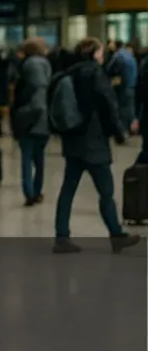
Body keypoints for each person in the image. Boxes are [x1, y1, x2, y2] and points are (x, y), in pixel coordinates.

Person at [52, 37, 141, 254]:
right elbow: (107, 104)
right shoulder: (95, 74)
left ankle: (61, 237)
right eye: (101, 52)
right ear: (94, 53)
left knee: (68, 189)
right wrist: (119, 132)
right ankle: (116, 234)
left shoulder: (68, 73)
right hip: (94, 142)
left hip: (73, 140)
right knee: (106, 191)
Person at [12, 37, 53, 206]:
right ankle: (37, 191)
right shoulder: (47, 65)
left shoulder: (26, 66)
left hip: (27, 117)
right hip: (44, 120)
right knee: (40, 158)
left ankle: (28, 191)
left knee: (26, 158)